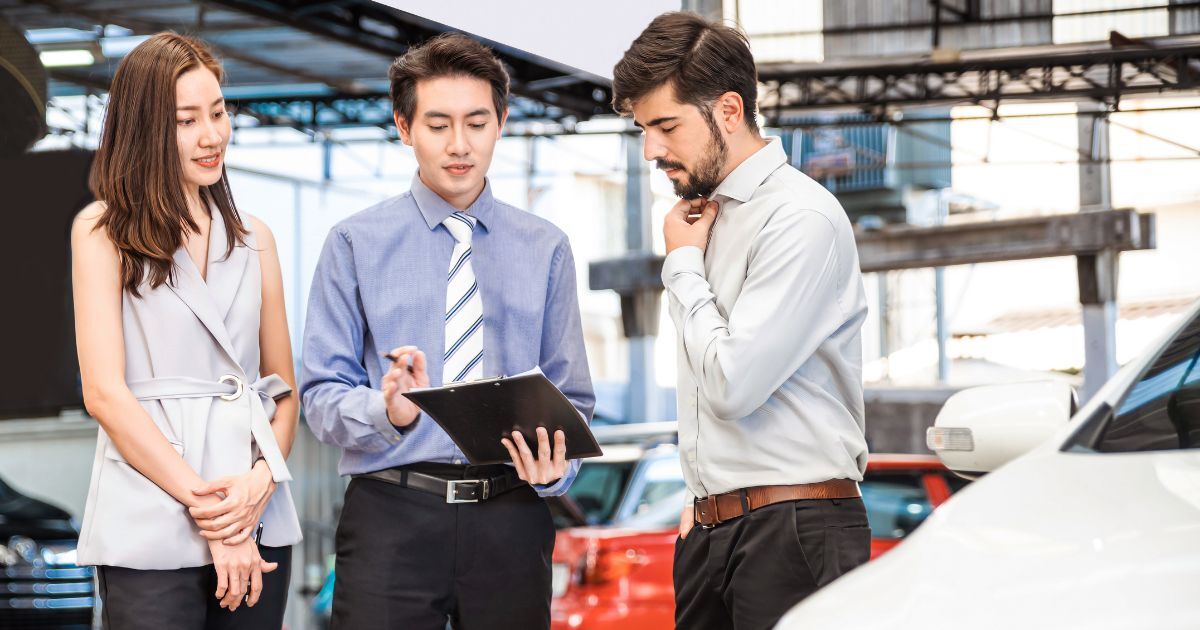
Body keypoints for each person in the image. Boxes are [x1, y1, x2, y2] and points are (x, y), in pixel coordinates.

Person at [300, 33, 594, 630]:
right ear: (404, 128)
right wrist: (390, 411)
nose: (460, 145)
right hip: (391, 514)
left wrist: (556, 467)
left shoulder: (547, 249)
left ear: (501, 123)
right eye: (438, 125)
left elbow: (575, 401)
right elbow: (318, 398)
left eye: (476, 123)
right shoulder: (354, 242)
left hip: (512, 517)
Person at [612, 12, 872, 630]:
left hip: (794, 533)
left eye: (666, 125)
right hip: (712, 530)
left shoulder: (798, 218)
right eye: (644, 129)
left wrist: (679, 266)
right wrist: (702, 499)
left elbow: (733, 385)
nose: (652, 148)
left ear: (729, 110)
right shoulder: (704, 219)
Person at [71, 32, 301, 629]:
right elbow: (105, 394)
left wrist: (259, 484)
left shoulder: (256, 238)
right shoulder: (101, 231)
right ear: (145, 128)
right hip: (152, 510)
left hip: (257, 511)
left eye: (219, 112)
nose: (212, 135)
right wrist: (211, 512)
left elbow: (283, 390)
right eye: (186, 119)